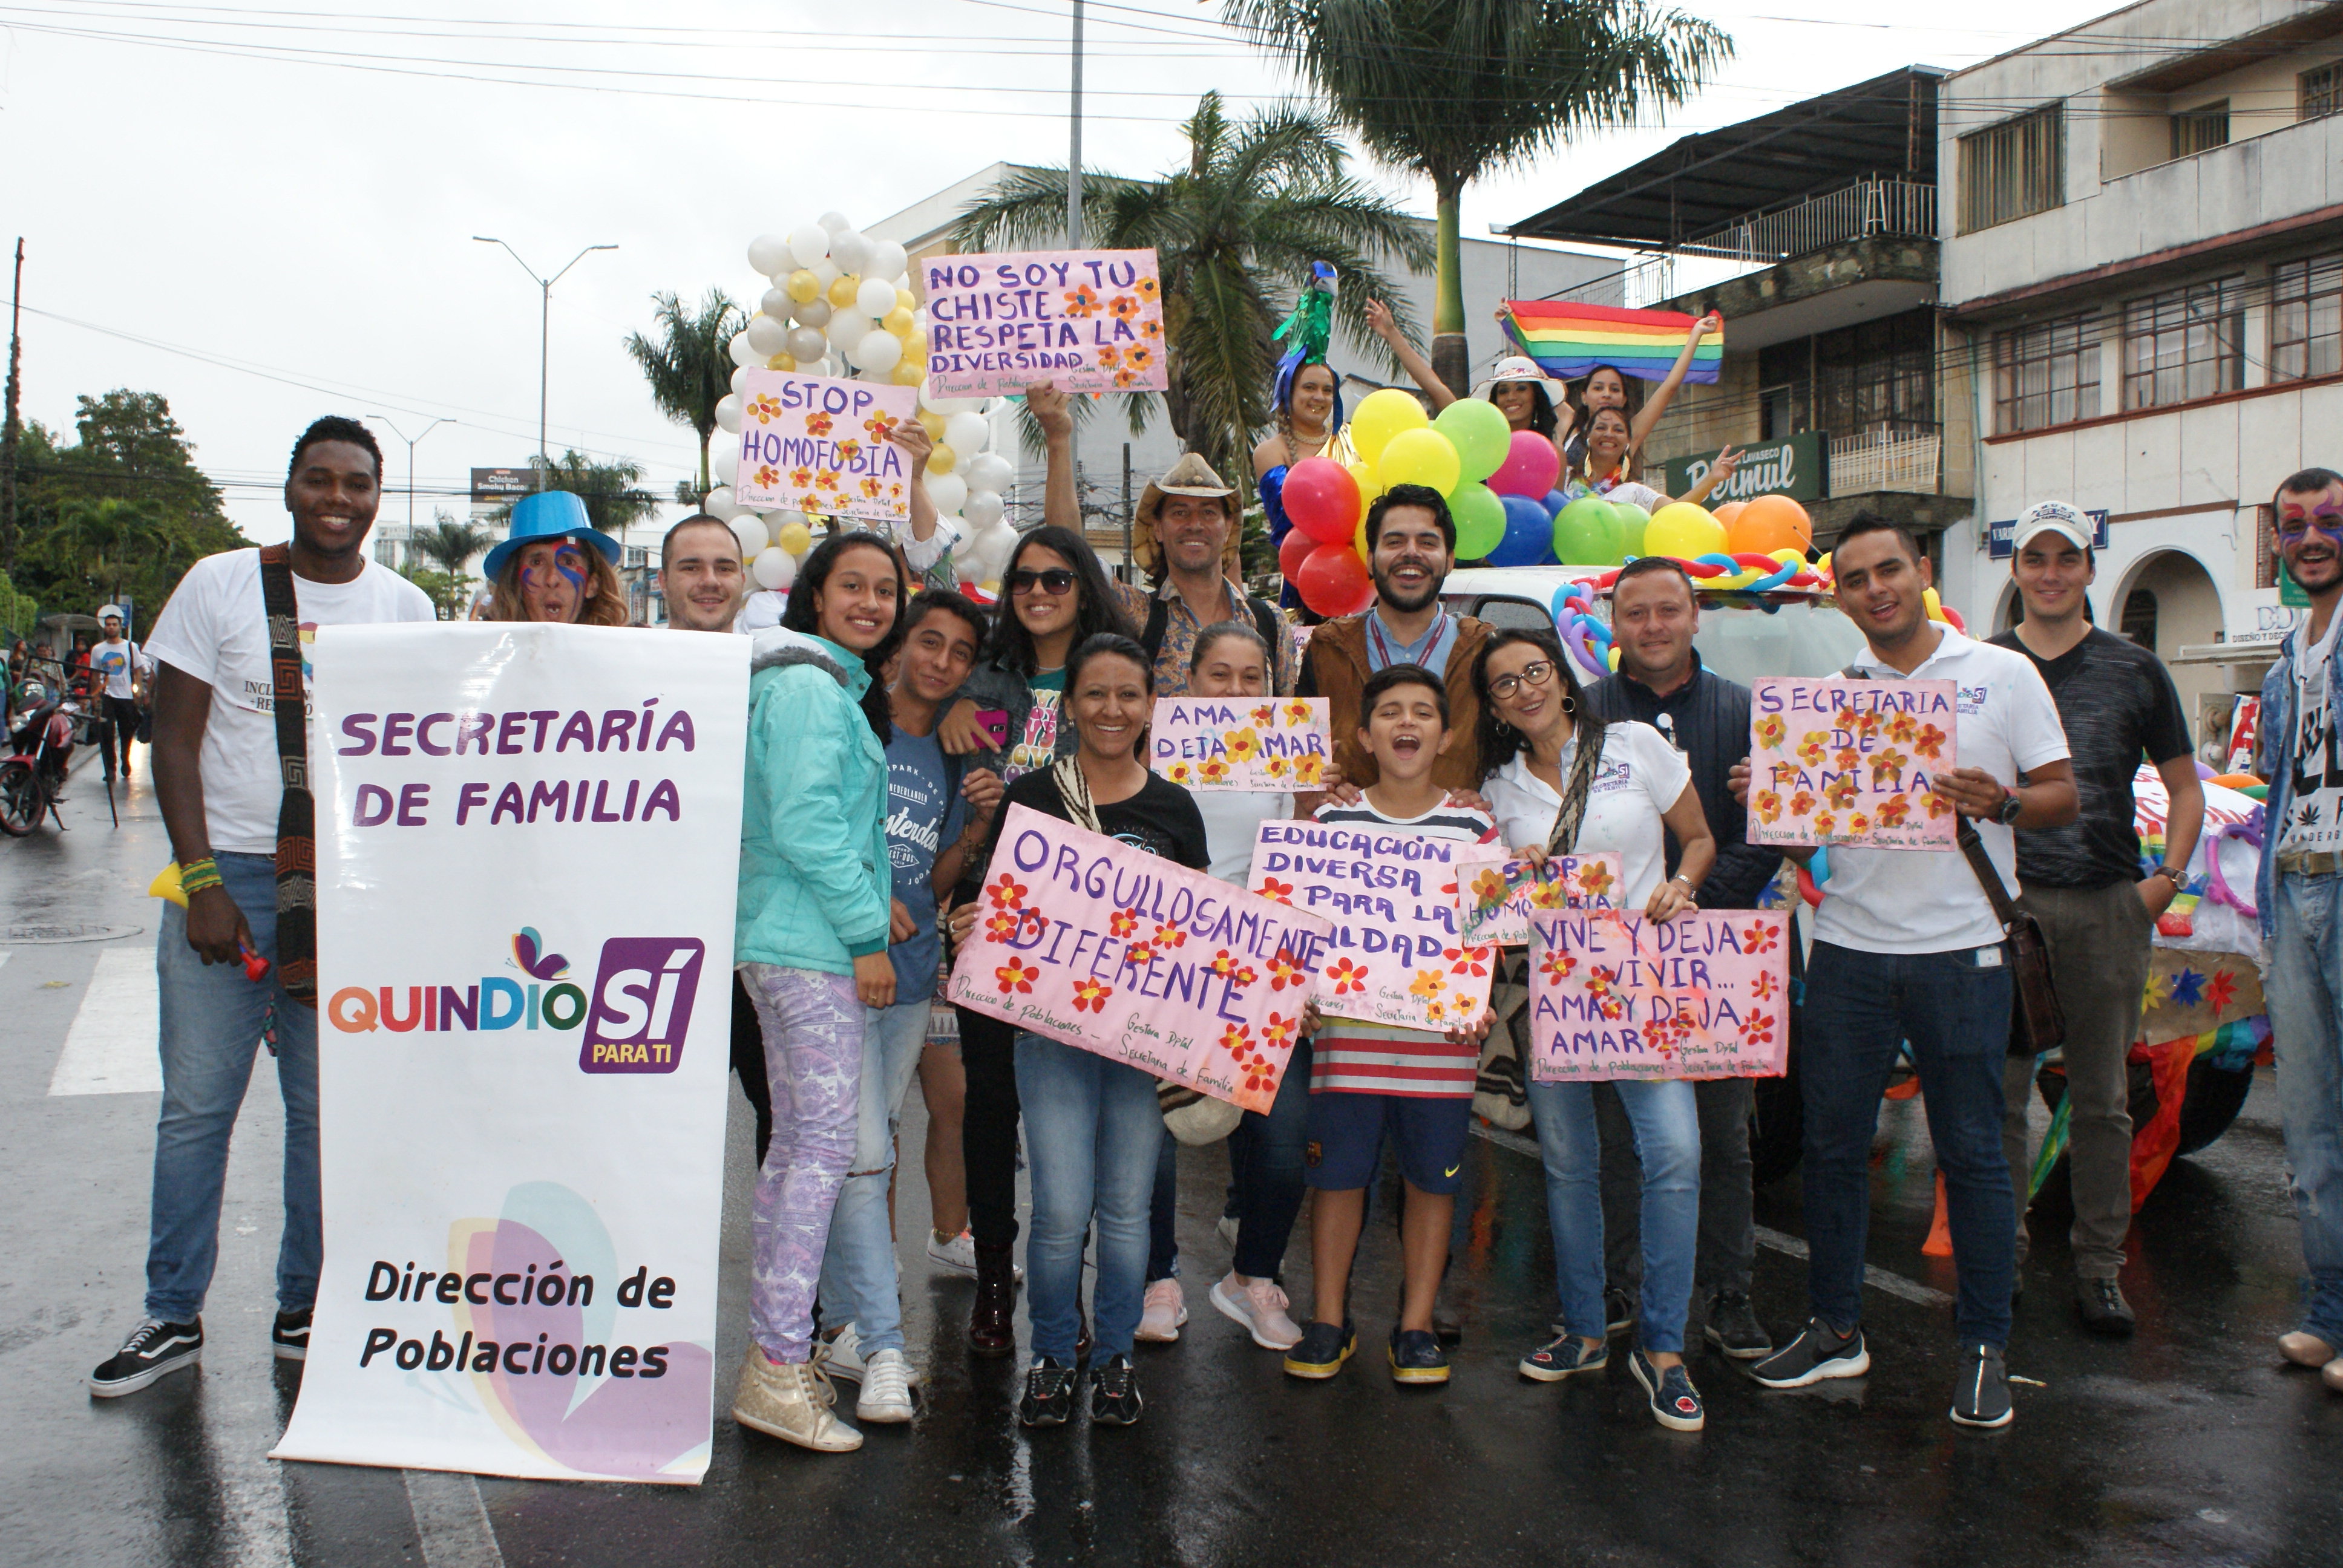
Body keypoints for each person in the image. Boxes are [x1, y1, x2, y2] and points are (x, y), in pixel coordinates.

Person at [87, 416, 436, 1399]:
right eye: (319, 479)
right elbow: (178, 739)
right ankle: (172, 1313)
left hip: (350, 886)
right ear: (290, 488)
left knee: (327, 1113)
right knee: (198, 1109)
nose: (338, 497)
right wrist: (200, 881)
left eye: (357, 483)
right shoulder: (220, 584)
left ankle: (307, 1306)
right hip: (230, 877)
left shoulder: (407, 610)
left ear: (377, 497)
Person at [1734, 512, 2077, 1430]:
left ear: (1922, 571)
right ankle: (1836, 1330)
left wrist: (2001, 799)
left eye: (1891, 569)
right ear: (1839, 594)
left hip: (1963, 954)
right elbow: (1804, 835)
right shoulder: (1831, 694)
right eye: (1856, 578)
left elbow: (2062, 794)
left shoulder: (2000, 674)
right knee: (1833, 1152)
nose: (1876, 588)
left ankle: (1983, 1348)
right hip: (1847, 948)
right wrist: (1770, 796)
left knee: (1971, 1156)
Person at [949, 632, 1210, 1427]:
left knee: (1129, 1211)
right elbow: (999, 906)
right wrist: (972, 921)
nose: (1111, 709)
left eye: (1128, 694)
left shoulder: (1173, 807)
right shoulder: (1032, 797)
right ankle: (1054, 1358)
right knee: (1063, 1212)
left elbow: (1203, 931)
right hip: (1050, 1038)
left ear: (1150, 708)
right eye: (1094, 694)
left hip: (1141, 1045)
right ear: (1070, 707)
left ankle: (1118, 1359)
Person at [1475, 626, 1719, 1429]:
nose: (1524, 690)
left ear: (1562, 675)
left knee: (1675, 1154)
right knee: (1570, 1165)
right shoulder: (1500, 789)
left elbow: (1701, 839)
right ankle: (1582, 1327)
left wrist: (1682, 886)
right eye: (1504, 684)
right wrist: (1519, 880)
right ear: (1494, 708)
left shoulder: (1634, 745)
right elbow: (1483, 908)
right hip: (1559, 997)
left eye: (1534, 671)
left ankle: (1664, 1346)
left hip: (1644, 985)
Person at [1988, 500, 2203, 1336]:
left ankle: (2099, 1267)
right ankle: (1998, 1257)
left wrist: (2167, 881)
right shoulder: (1982, 665)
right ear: (2016, 569)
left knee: (2105, 1100)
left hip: (2109, 904)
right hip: (2007, 910)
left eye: (2065, 559)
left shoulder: (2135, 669)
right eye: (2035, 558)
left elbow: (2185, 789)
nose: (2049, 573)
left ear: (2087, 569)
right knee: (2001, 1095)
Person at [932, 518, 1137, 1353]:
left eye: (1058, 578)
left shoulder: (1120, 681)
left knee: (1078, 1119)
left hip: (1095, 933)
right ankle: (991, 1286)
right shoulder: (976, 686)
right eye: (1024, 580)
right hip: (992, 922)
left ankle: (1068, 1289)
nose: (1039, 592)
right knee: (991, 1107)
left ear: (1085, 585)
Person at [729, 529, 908, 1454]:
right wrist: (867, 935)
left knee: (801, 1153)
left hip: (791, 942)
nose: (872, 603)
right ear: (814, 593)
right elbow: (804, 824)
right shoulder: (806, 687)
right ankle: (776, 1365)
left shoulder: (825, 682)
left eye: (886, 590)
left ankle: (778, 1361)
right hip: (811, 950)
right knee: (819, 1157)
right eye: (853, 586)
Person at [1582, 555, 1782, 1361]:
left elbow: (1776, 826)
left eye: (1670, 611)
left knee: (1722, 1137)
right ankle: (1618, 1282)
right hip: (1606, 959)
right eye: (1637, 614)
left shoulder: (1745, 711)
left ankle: (1730, 1292)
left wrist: (1699, 901)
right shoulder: (1582, 715)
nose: (1654, 627)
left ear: (1697, 616)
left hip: (1719, 953)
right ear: (1616, 624)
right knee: (1617, 1133)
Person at [815, 588, 1003, 1425]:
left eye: (961, 652)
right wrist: (863, 916)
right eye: (930, 643)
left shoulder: (958, 757)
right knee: (855, 1150)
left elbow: (930, 886)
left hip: (913, 973)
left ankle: (845, 1323)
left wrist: (969, 834)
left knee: (870, 1144)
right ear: (898, 650)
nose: (943, 662)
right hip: (836, 968)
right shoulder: (855, 726)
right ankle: (875, 1334)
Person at [1283, 664, 1498, 1388]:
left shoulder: (1473, 824)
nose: (1406, 724)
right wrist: (1296, 993)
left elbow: (1485, 932)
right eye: (1390, 714)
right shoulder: (1331, 822)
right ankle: (1327, 1320)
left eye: (1422, 714)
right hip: (1346, 1041)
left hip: (1440, 1046)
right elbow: (1300, 926)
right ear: (1363, 735)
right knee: (1337, 1181)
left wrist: (1479, 998)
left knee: (1431, 1186)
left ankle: (1413, 1327)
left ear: (1444, 734)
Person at [1176, 621, 1316, 1353]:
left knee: (1284, 1142)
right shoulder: (1155, 754)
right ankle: (1152, 1280)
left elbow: (1315, 862)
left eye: (1250, 678)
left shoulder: (1292, 755)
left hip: (1269, 977)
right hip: (1173, 975)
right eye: (1219, 676)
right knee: (1154, 1140)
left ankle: (1250, 1277)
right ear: (1190, 682)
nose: (1235, 692)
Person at [2254, 468, 2343, 1393]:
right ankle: (2330, 1310)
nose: (2311, 538)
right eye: (2294, 526)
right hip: (2294, 887)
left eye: (2330, 523)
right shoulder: (2289, 659)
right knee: (2311, 1121)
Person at [1298, 486, 1492, 795]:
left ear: (1450, 560)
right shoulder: (1327, 650)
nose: (1411, 553)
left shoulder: (1483, 651)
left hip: (1456, 838)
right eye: (1395, 542)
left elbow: (1511, 760)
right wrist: (1316, 788)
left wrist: (1489, 795)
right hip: (1348, 839)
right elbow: (1300, 763)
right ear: (1371, 559)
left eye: (1427, 542)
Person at [1110, 449, 1294, 699]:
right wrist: (1059, 438)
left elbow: (1292, 721)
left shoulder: (1270, 621)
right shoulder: (1136, 614)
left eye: (1208, 512)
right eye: (1180, 512)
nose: (1195, 525)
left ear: (1228, 527)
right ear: (1158, 529)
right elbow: (1071, 558)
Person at [483, 490, 628, 626]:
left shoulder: (617, 652)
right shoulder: (492, 651)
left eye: (568, 562)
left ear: (592, 585)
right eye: (537, 562)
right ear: (516, 583)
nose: (552, 579)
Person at [657, 512, 746, 634]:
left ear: (743, 581)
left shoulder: (768, 650)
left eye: (724, 569)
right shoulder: (631, 653)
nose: (710, 581)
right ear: (663, 582)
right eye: (691, 568)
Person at [90, 604, 144, 784]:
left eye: (114, 624)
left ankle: (125, 758)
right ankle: (110, 768)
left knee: (126, 731)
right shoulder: (98, 650)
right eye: (108, 625)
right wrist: (95, 695)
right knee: (106, 732)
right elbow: (95, 673)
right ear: (104, 627)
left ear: (120, 627)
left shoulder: (130, 647)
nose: (111, 627)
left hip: (126, 696)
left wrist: (138, 689)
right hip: (107, 694)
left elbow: (137, 669)